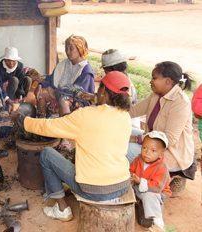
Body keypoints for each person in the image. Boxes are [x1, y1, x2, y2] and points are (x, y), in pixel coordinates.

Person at [20, 71, 132, 221]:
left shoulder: (85, 115)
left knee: (47, 154)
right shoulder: (125, 116)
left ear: (103, 91)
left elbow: (49, 126)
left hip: (93, 190)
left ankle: (62, 209)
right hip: (122, 184)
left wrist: (23, 120)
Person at [129, 61, 195, 180]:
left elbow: (169, 139)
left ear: (168, 81)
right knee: (124, 131)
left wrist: (136, 139)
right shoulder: (156, 95)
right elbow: (133, 111)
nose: (150, 81)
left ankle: (158, 180)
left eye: (154, 78)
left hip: (172, 155)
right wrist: (110, 113)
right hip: (151, 143)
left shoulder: (180, 103)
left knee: (124, 148)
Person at [36, 35, 95, 151]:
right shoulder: (64, 64)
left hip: (79, 101)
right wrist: (41, 85)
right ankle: (42, 125)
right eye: (66, 48)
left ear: (80, 49)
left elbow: (79, 90)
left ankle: (65, 138)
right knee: (42, 93)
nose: (68, 52)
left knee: (64, 100)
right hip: (60, 95)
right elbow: (51, 78)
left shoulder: (86, 70)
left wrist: (57, 91)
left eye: (71, 48)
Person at [101, 49, 143, 161]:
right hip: (122, 123)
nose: (105, 73)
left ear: (112, 70)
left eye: (105, 70)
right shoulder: (121, 80)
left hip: (128, 125)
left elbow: (117, 115)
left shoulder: (124, 86)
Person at [130, 131, 171, 231]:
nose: (147, 152)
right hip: (140, 187)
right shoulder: (138, 159)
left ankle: (158, 223)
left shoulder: (162, 167)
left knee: (149, 197)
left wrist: (140, 181)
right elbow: (131, 170)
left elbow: (157, 187)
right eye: (144, 148)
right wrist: (131, 176)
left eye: (153, 150)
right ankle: (140, 203)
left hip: (157, 192)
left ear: (161, 154)